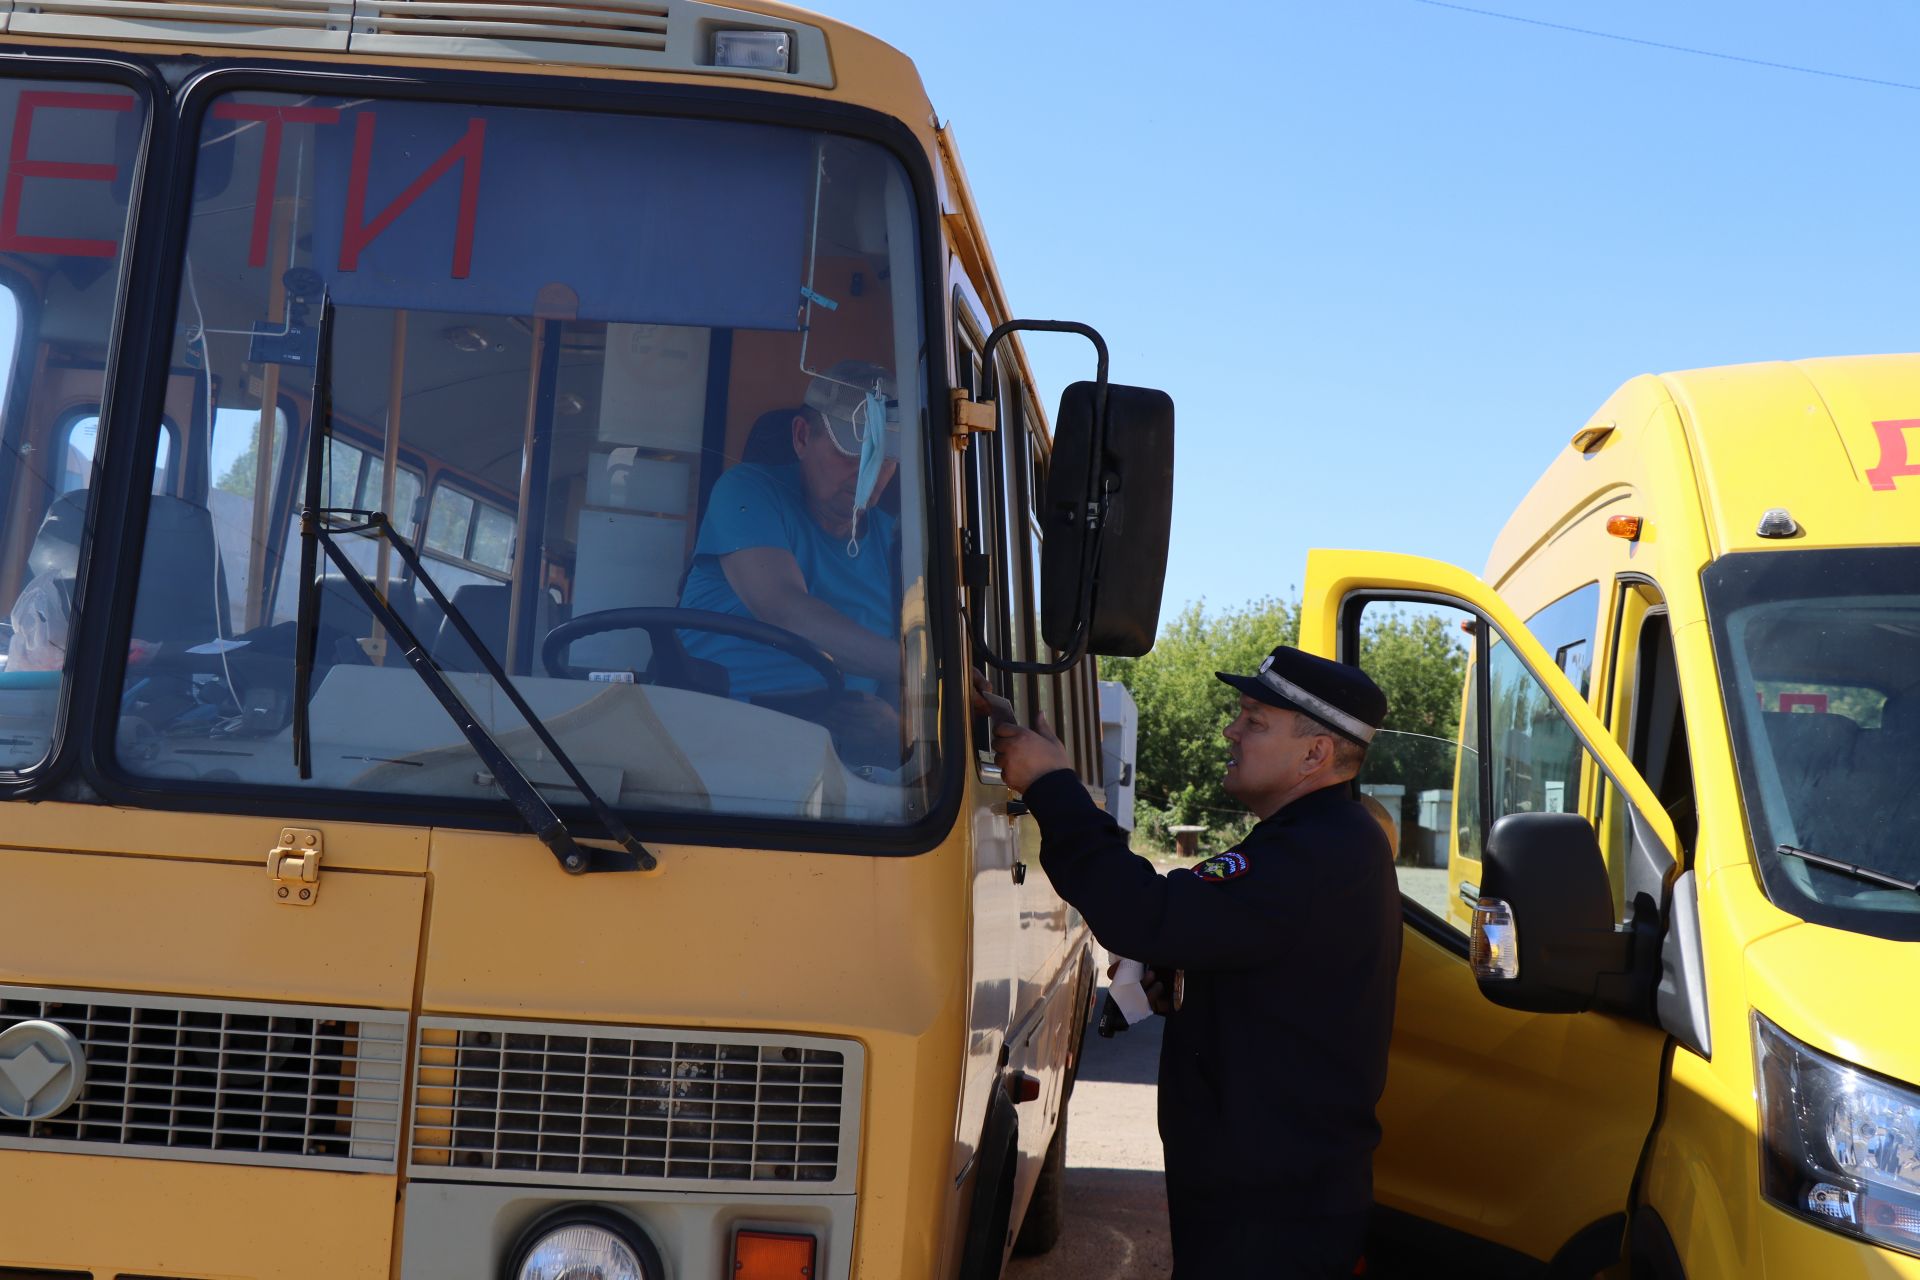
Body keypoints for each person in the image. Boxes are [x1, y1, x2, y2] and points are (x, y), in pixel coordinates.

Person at [985, 647, 1402, 1279]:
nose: (1232, 731)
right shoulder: (1318, 841)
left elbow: (1144, 912)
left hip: (1271, 1211)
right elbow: (1247, 948)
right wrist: (1186, 975)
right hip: (1267, 1189)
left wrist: (1052, 788)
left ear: (1316, 754)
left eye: (1255, 721)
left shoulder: (1316, 853)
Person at [678, 360, 902, 760]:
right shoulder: (747, 492)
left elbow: (908, 708)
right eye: (852, 452)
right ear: (801, 438)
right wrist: (918, 668)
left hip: (838, 772)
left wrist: (896, 732)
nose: (865, 475)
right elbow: (783, 609)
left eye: (881, 458)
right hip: (709, 747)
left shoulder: (900, 545)